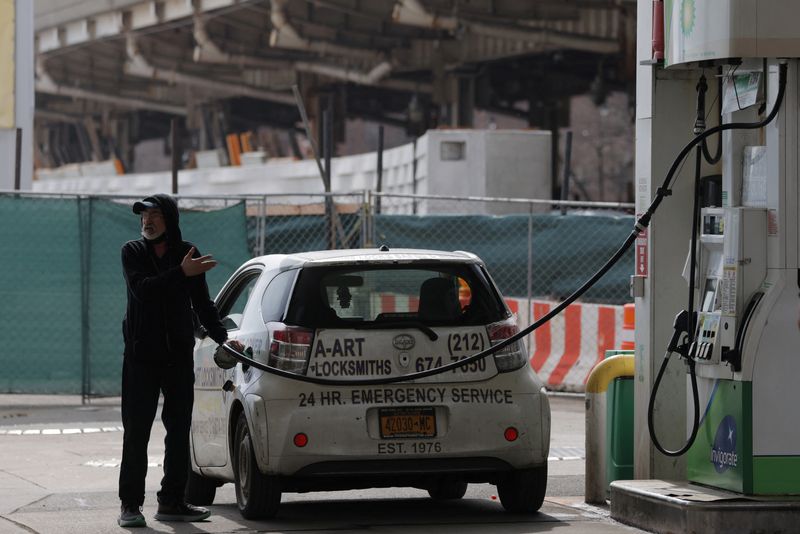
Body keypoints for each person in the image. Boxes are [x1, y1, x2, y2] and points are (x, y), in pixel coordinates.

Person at [118, 194, 243, 528]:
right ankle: (130, 505)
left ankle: (172, 501)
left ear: (169, 219)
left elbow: (202, 304)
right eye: (143, 215)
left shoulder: (187, 252)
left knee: (179, 431)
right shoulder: (132, 252)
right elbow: (143, 290)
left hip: (177, 357)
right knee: (136, 432)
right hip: (141, 358)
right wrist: (181, 272)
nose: (147, 220)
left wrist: (225, 339)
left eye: (155, 214)